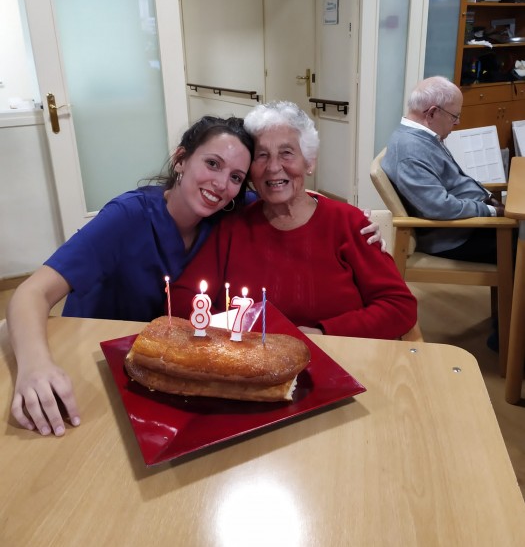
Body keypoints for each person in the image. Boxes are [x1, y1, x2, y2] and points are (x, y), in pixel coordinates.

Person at [7, 113, 384, 437]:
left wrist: (356, 221)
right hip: (97, 359)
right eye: (212, 164)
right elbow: (31, 293)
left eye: (236, 176)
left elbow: (294, 197)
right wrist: (35, 365)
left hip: (168, 368)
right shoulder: (126, 217)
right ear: (181, 159)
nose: (221, 184)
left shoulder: (226, 212)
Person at [170, 101, 417, 338]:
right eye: (261, 155)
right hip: (248, 359)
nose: (273, 167)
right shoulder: (233, 225)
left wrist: (322, 333)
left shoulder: (350, 223)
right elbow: (183, 297)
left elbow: (399, 306)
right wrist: (237, 332)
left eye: (286, 153)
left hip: (336, 356)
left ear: (309, 162)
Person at [381, 75, 505, 263]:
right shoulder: (410, 151)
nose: (457, 122)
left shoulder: (423, 137)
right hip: (455, 236)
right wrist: (490, 211)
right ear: (432, 113)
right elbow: (438, 207)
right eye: (454, 116)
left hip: (465, 223)